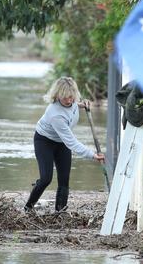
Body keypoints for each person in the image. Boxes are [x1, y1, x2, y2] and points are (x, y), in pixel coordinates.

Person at [24, 76, 105, 212]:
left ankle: (60, 211)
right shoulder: (55, 115)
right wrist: (92, 155)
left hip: (62, 143)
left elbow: (72, 106)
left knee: (64, 179)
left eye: (71, 97)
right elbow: (72, 142)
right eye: (65, 98)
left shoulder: (72, 101)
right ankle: (28, 207)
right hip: (45, 142)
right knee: (46, 179)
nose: (69, 100)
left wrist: (81, 104)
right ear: (58, 95)